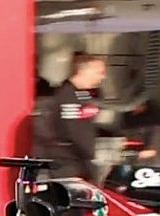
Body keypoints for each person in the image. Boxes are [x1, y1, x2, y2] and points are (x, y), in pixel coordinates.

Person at [33, 53, 107, 181]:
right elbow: (71, 130)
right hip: (67, 161)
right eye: (99, 72)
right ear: (84, 71)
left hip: (82, 160)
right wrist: (86, 156)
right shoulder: (66, 96)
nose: (103, 76)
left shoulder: (85, 95)